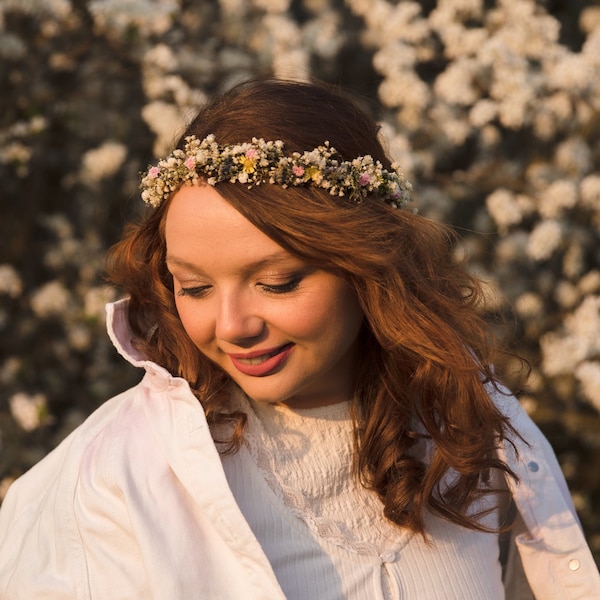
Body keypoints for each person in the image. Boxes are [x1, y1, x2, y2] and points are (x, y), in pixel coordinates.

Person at [0, 79, 597, 600]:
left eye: (277, 282)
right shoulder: (109, 481)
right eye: (196, 287)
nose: (232, 326)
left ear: (366, 268)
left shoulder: (467, 427)